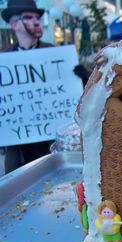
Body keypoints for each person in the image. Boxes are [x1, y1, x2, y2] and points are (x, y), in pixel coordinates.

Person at [1, 0, 89, 173]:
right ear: (14, 24)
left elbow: (81, 96)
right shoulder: (4, 61)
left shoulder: (58, 56)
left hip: (50, 144)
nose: (36, 22)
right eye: (29, 17)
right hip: (18, 148)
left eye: (38, 18)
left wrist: (84, 77)